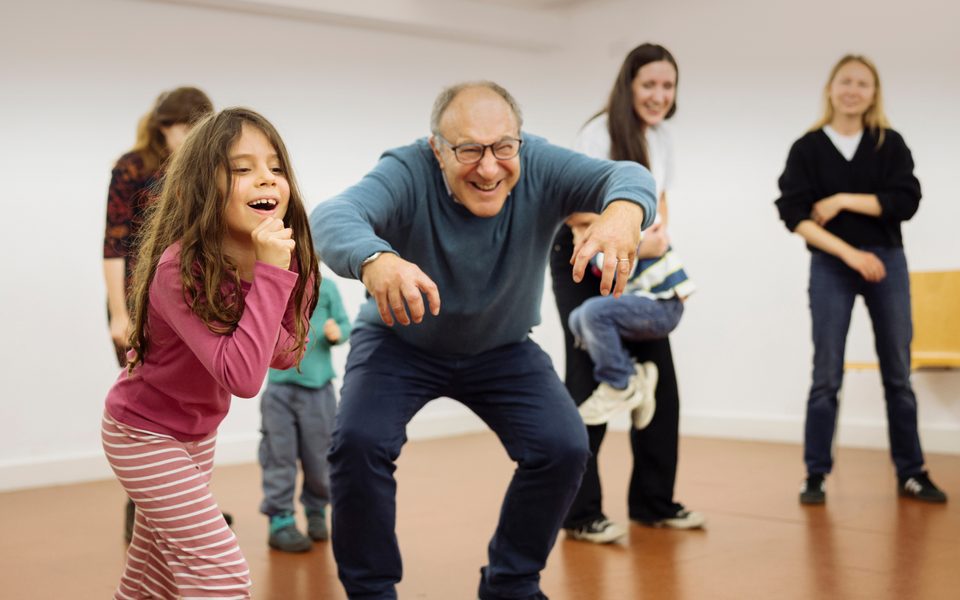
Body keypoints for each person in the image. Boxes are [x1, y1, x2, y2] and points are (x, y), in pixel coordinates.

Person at [310, 81, 656, 600]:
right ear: (437, 149)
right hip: (400, 345)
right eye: (469, 150)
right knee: (358, 443)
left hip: (504, 347)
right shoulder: (407, 170)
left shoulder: (538, 162)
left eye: (503, 148)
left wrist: (625, 211)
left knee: (563, 446)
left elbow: (628, 175)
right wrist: (375, 259)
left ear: (520, 140)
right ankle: (371, 590)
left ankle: (511, 583)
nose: (489, 167)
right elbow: (331, 217)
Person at [102, 108, 319, 599]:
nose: (265, 177)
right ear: (199, 188)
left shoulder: (274, 257)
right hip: (142, 434)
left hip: (196, 435)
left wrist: (280, 274)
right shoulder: (179, 269)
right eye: (242, 169)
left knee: (152, 577)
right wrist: (270, 277)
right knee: (221, 571)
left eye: (275, 167)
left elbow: (283, 352)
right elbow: (242, 376)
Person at [550, 43, 705, 545]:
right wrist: (640, 235)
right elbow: (575, 212)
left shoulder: (662, 138)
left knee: (659, 381)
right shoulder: (599, 133)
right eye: (649, 85)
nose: (659, 95)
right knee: (590, 380)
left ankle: (654, 503)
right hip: (583, 257)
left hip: (639, 259)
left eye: (668, 85)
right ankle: (581, 513)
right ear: (629, 86)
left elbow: (660, 210)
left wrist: (652, 241)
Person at [775, 54, 947, 505]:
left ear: (874, 93)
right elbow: (794, 215)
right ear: (831, 88)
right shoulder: (807, 149)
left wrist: (843, 200)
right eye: (845, 81)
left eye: (863, 84)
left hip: (887, 262)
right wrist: (852, 254)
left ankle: (912, 472)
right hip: (833, 264)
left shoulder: (889, 144)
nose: (853, 90)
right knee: (826, 374)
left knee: (898, 373)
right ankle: (815, 474)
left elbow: (906, 200)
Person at [102, 86, 215, 541]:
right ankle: (149, 512)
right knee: (147, 410)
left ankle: (186, 508)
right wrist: (118, 314)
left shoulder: (203, 168)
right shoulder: (132, 167)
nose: (192, 138)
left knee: (192, 403)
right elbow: (113, 243)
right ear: (164, 126)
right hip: (138, 303)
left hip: (188, 300)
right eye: (186, 129)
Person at [259, 276, 351, 552]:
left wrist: (338, 332)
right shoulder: (276, 282)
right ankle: (280, 518)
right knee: (278, 455)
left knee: (319, 457)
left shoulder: (328, 287)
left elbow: (345, 323)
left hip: (318, 391)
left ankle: (316, 510)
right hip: (279, 390)